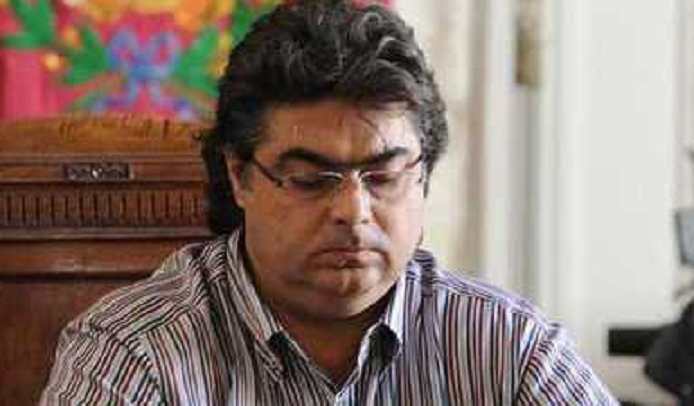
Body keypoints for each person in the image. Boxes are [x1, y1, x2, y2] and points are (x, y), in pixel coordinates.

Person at [41, 0, 617, 404]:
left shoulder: (510, 350)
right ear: (240, 177)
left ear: (423, 175)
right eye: (312, 179)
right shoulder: (134, 355)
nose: (353, 210)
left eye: (383, 175)